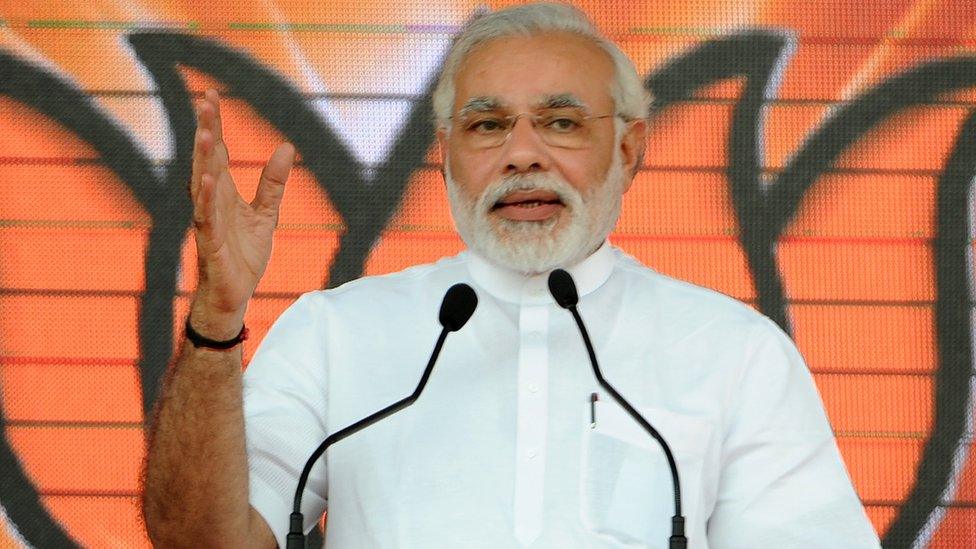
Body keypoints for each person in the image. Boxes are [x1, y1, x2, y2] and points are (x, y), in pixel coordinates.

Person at [142, 3, 881, 548]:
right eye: (488, 125)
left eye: (561, 122)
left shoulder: (733, 353)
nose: (522, 154)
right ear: (447, 153)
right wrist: (216, 314)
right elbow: (200, 543)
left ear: (628, 150)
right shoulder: (336, 331)